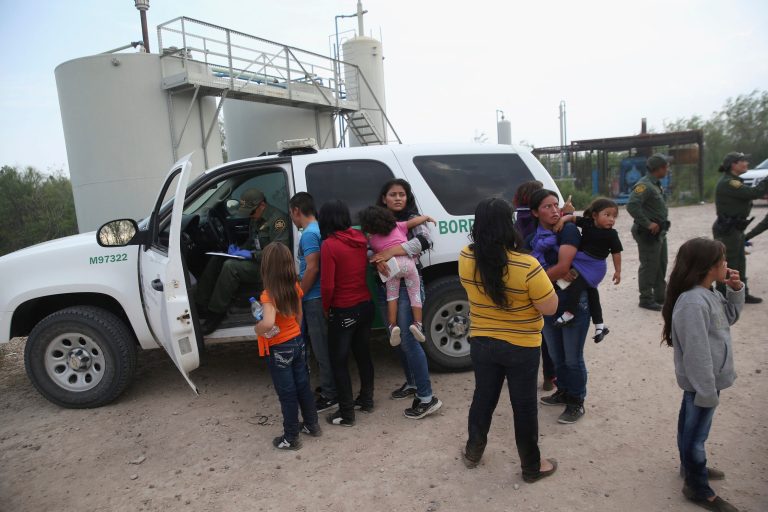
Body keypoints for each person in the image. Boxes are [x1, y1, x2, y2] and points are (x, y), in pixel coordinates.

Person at [459, 197, 559, 483]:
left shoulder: (466, 255)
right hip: (522, 346)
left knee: (483, 397)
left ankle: (473, 452)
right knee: (524, 405)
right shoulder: (527, 265)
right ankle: (531, 466)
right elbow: (550, 308)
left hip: (481, 342)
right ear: (509, 224)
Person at [661, 237, 744, 512]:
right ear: (708, 266)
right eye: (723, 260)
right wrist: (707, 390)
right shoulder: (692, 302)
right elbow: (696, 352)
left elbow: (728, 317)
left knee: (691, 428)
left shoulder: (710, 293)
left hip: (707, 381)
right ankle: (697, 488)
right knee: (696, 436)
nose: (727, 265)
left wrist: (735, 289)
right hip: (702, 384)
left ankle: (691, 468)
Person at [368, 178, 443, 420]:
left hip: (407, 285)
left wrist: (390, 252)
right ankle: (412, 382)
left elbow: (424, 241)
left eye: (402, 194)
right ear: (384, 198)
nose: (398, 198)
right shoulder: (376, 220)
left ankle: (426, 397)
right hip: (386, 283)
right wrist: (377, 258)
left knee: (410, 340)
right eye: (393, 194)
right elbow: (368, 248)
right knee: (396, 336)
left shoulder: (412, 220)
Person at [526, 189, 589, 424]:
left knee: (573, 357)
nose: (554, 210)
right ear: (534, 212)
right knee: (556, 354)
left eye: (556, 205)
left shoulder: (569, 230)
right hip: (548, 303)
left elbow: (564, 267)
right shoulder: (534, 239)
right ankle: (563, 391)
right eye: (547, 207)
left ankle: (577, 401)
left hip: (573, 302)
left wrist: (534, 281)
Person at [196, 188, 290, 334]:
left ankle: (216, 314)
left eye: (251, 212)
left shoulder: (278, 221)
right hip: (257, 261)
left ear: (262, 206)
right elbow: (252, 241)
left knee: (230, 267)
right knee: (218, 259)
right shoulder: (256, 218)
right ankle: (200, 304)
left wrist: (252, 255)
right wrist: (239, 249)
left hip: (269, 268)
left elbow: (278, 252)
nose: (249, 216)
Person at [255, 243, 320, 451]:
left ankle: (291, 437)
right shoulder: (295, 286)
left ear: (267, 268)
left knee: (287, 394)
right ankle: (311, 424)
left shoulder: (268, 295)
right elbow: (299, 314)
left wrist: (258, 329)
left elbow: (268, 323)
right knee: (303, 386)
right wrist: (295, 334)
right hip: (297, 342)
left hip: (279, 348)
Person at [319, 200, 375, 427]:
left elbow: (328, 286)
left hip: (344, 309)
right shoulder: (360, 239)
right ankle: (367, 399)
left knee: (339, 362)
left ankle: (346, 413)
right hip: (365, 305)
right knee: (363, 354)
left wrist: (326, 307)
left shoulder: (329, 245)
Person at [358, 205, 435, 346]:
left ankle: (393, 326)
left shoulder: (372, 240)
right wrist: (426, 217)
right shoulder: (399, 226)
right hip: (408, 264)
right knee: (414, 294)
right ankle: (417, 324)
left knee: (392, 297)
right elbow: (414, 222)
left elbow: (372, 256)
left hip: (391, 267)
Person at [288, 192, 337, 413]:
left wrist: (299, 293)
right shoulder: (318, 230)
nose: (292, 218)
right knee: (322, 346)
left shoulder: (308, 234)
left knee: (321, 348)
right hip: (318, 296)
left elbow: (313, 267)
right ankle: (329, 387)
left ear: (296, 210)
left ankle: (330, 394)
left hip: (313, 298)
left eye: (291, 213)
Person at [549, 198, 623, 343]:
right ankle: (600, 325)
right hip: (581, 261)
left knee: (576, 286)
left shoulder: (612, 234)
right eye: (607, 215)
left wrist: (618, 271)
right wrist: (562, 221)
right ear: (595, 215)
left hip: (595, 267)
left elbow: (616, 253)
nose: (611, 220)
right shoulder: (588, 223)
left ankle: (569, 313)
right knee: (591, 293)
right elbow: (571, 217)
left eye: (614, 217)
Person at [513, 180, 558, 390]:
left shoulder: (516, 218)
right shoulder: (539, 224)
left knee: (524, 332)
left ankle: (520, 374)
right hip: (542, 279)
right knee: (546, 333)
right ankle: (549, 377)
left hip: (521, 278)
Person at [712, 152, 768, 304]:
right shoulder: (729, 183)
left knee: (740, 263)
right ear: (733, 165)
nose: (746, 164)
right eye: (743, 161)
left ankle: (742, 293)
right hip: (728, 230)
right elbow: (754, 193)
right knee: (727, 264)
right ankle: (722, 296)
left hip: (736, 229)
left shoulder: (735, 181)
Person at [626, 154, 671, 311]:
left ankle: (660, 296)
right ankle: (645, 298)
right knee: (649, 265)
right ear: (658, 168)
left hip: (659, 233)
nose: (667, 169)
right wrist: (647, 223)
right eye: (666, 166)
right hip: (648, 233)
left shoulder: (656, 184)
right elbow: (632, 205)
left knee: (661, 264)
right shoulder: (644, 185)